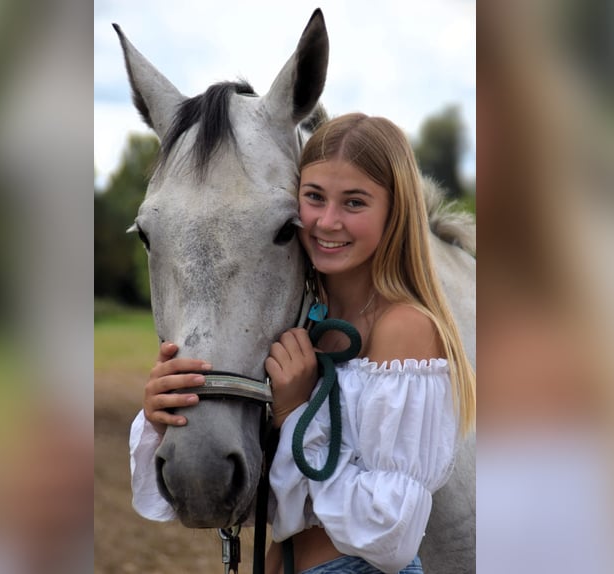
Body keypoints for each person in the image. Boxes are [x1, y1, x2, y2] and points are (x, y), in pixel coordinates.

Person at [133, 113, 476, 574]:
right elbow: (281, 495)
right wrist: (164, 413)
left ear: (396, 212)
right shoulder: (309, 321)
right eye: (314, 197)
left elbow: (391, 534)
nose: (327, 222)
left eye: (354, 202)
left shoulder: (404, 328)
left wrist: (295, 413)